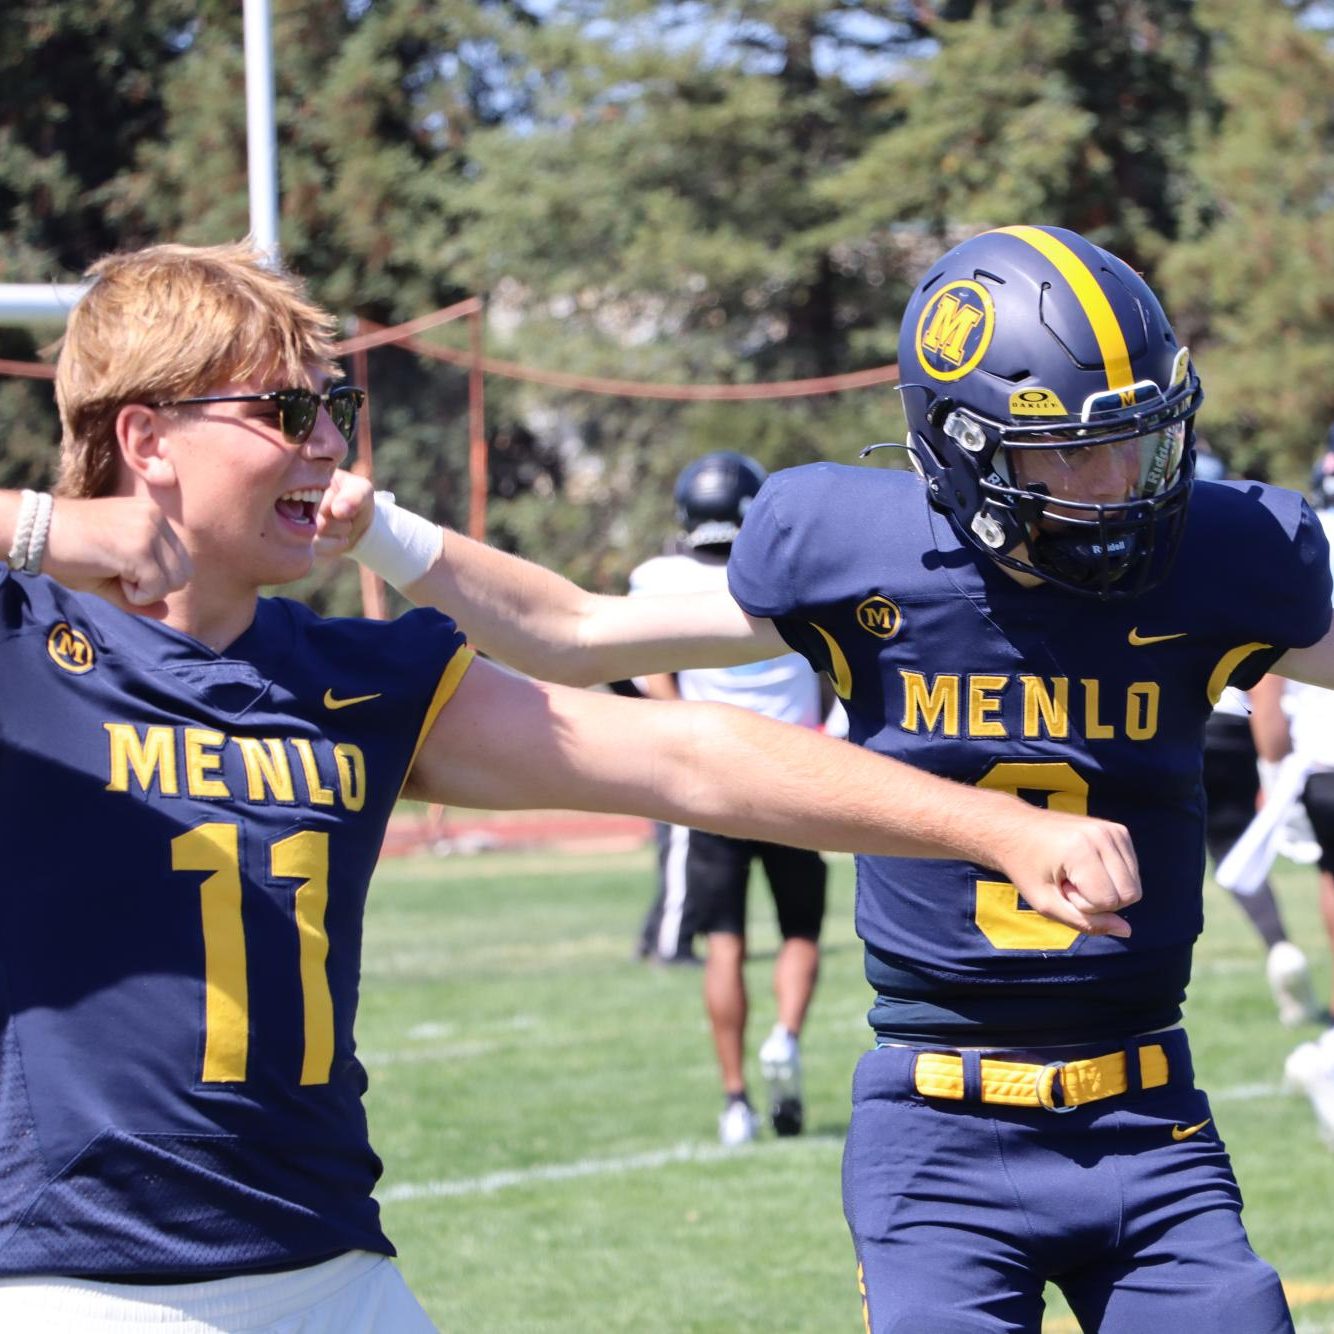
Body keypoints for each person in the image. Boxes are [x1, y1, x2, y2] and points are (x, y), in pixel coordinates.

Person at [0, 240, 1138, 1332]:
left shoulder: (355, 676)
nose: (327, 448)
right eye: (286, 413)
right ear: (145, 436)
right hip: (83, 1287)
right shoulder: (22, 649)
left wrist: (988, 824)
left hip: (328, 1264)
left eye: (334, 409)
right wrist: (44, 525)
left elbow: (690, 754)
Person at [340, 225, 1334, 1332]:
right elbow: (574, 631)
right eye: (1065, 449)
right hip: (936, 1129)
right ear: (961, 448)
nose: (1116, 483)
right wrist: (372, 525)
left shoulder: (1221, 554)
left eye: (1137, 439)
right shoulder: (858, 548)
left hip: (1147, 1113)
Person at [630, 449, 835, 1144]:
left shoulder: (659, 579)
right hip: (794, 774)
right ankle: (785, 1034)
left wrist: (675, 722)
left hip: (716, 780)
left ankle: (735, 1100)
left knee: (724, 943)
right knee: (801, 932)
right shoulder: (796, 571)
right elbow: (833, 666)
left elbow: (646, 667)